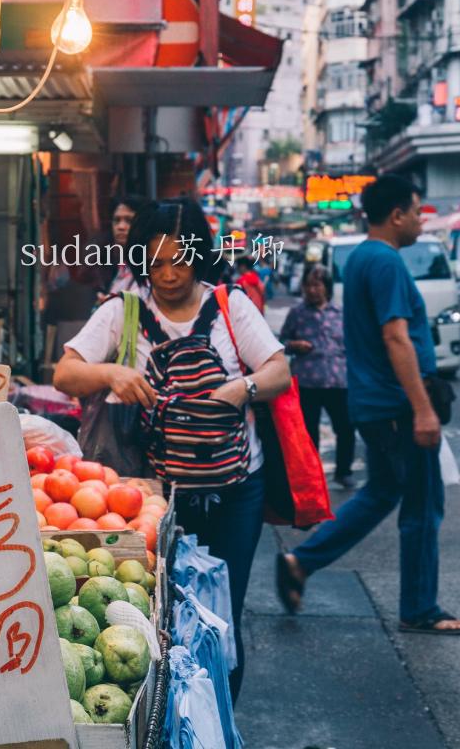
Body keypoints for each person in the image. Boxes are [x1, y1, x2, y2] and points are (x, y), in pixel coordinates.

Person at [53, 198, 290, 699]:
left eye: (179, 261)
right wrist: (112, 372)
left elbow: (278, 370)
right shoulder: (123, 310)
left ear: (199, 255)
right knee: (153, 613)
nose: (167, 274)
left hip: (234, 491)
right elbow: (66, 373)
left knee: (222, 615)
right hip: (150, 498)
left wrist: (240, 389)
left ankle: (216, 719)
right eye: (155, 262)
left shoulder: (230, 305)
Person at [275, 175, 460, 636]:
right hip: (397, 406)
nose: (422, 221)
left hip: (374, 402)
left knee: (382, 492)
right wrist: (422, 409)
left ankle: (299, 562)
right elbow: (395, 335)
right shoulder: (385, 262)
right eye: (418, 211)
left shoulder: (363, 257)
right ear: (397, 214)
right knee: (424, 506)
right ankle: (420, 607)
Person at [279, 264, 356, 487]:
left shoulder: (341, 314)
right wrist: (294, 345)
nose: (312, 290)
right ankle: (311, 475)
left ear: (327, 288)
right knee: (308, 432)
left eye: (317, 285)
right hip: (307, 383)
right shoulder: (297, 314)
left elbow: (352, 345)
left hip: (338, 382)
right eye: (308, 285)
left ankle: (344, 471)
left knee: (345, 428)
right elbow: (281, 342)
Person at [100, 193, 149, 301]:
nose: (120, 227)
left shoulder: (152, 266)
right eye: (117, 220)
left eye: (129, 220)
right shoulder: (119, 265)